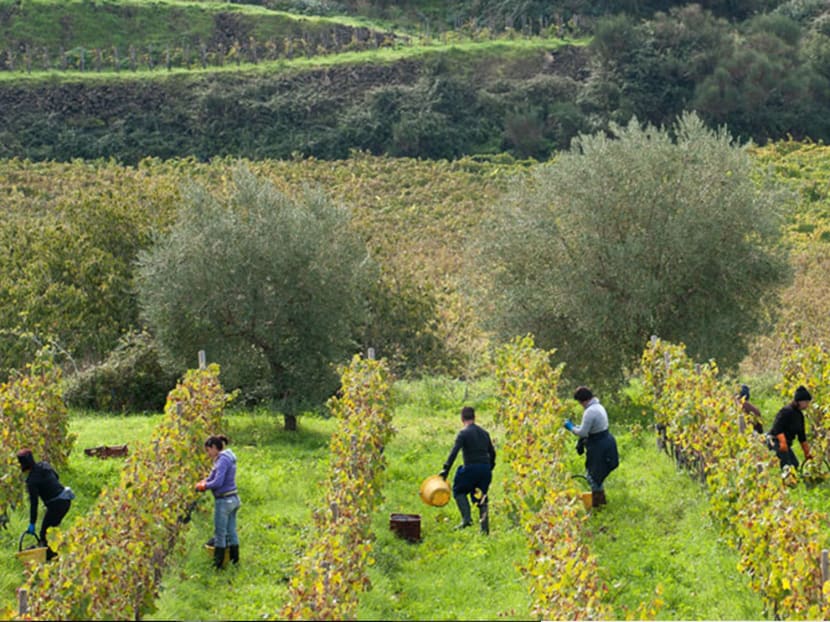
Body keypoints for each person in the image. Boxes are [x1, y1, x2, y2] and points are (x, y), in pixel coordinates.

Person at [439, 406, 496, 534]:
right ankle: (484, 529)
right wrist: (489, 467)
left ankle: (466, 519)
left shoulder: (463, 433)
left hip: (470, 468)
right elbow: (492, 453)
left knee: (458, 490)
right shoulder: (484, 433)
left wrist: (446, 470)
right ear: (474, 417)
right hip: (485, 470)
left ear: (462, 418)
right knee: (481, 497)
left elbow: (454, 452)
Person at [564, 386, 619, 508]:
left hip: (599, 446)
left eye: (579, 402)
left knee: (594, 476)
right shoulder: (599, 407)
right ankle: (600, 503)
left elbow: (583, 433)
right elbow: (591, 428)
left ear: (583, 400)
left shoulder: (590, 412)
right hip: (606, 441)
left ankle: (598, 506)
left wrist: (571, 428)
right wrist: (577, 426)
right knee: (597, 475)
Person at [16, 448, 75, 561]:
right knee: (51, 529)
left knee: (45, 533)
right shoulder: (45, 465)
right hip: (66, 499)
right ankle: (53, 553)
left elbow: (34, 504)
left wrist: (32, 523)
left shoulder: (31, 481)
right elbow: (56, 477)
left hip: (56, 505)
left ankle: (51, 557)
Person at [195, 435, 240, 568]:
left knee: (220, 534)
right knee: (232, 531)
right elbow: (213, 477)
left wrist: (205, 486)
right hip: (234, 499)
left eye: (208, 451)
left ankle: (218, 565)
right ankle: (234, 561)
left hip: (224, 501)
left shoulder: (222, 461)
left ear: (214, 448)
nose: (208, 454)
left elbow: (218, 482)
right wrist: (205, 481)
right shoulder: (227, 458)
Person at [768, 385, 813, 469]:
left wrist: (807, 452)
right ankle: (786, 481)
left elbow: (802, 436)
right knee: (787, 467)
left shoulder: (800, 416)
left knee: (795, 464)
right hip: (775, 441)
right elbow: (777, 427)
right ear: (799, 401)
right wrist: (782, 442)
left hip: (786, 444)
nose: (807, 404)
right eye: (806, 402)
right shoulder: (786, 411)